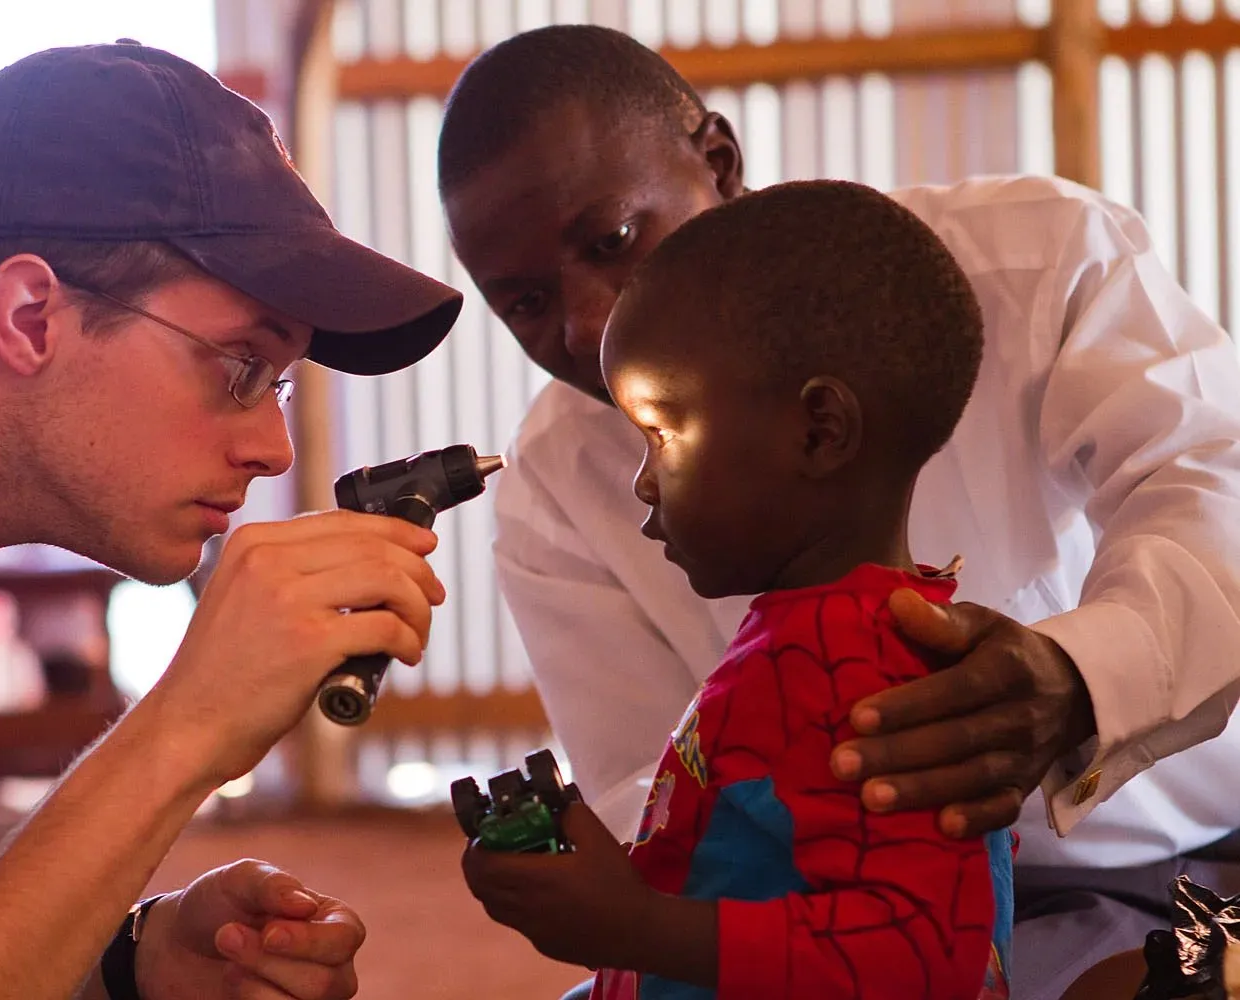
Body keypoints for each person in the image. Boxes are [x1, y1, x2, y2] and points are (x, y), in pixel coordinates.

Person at [435, 23, 1240, 1000]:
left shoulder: (1036, 261)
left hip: (1188, 870)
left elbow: (1211, 478)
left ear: (717, 161)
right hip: (804, 922)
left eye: (611, 241)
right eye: (522, 303)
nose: (586, 322)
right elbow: (655, 801)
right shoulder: (556, 482)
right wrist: (594, 891)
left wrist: (1083, 674)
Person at [0, 41, 463, 1000]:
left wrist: (124, 963)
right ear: (30, 313)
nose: (273, 448)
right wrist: (185, 726)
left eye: (279, 384)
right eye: (242, 367)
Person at [464, 180, 1015, 1000]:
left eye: (662, 434)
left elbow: (925, 957)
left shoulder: (867, 682)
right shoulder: (796, 638)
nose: (644, 485)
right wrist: (595, 879)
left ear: (819, 431)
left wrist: (633, 927)